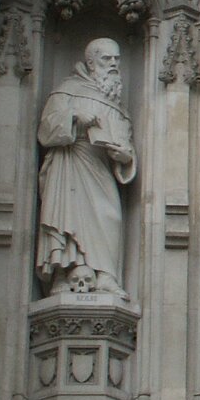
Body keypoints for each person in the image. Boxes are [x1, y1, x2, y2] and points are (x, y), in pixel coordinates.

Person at [36, 37, 136, 296]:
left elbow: (125, 143)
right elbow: (46, 129)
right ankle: (64, 275)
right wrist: (74, 118)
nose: (113, 64)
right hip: (70, 163)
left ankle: (106, 277)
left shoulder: (117, 103)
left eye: (117, 59)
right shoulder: (68, 90)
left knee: (110, 217)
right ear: (91, 62)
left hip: (101, 167)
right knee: (67, 216)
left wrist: (125, 157)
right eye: (106, 58)